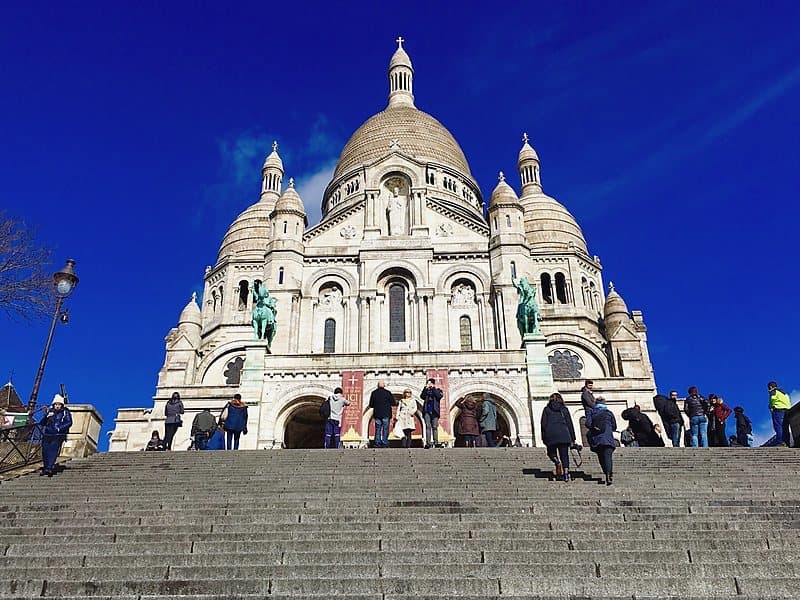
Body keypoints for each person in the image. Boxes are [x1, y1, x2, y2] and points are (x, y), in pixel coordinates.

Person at [541, 392, 576, 482]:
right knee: (564, 455)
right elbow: (569, 424)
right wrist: (573, 438)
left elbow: (543, 424)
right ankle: (566, 474)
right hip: (564, 435)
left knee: (551, 452)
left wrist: (544, 437)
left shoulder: (546, 409)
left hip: (551, 435)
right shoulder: (564, 409)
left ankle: (557, 462)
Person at [39, 394, 72, 477]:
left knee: (53, 451)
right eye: (56, 404)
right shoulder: (49, 411)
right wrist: (46, 417)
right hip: (47, 434)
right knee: (45, 451)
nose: (57, 406)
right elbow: (42, 423)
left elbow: (69, 422)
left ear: (61, 405)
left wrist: (59, 428)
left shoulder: (65, 412)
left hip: (57, 435)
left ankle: (49, 468)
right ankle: (46, 467)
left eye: (59, 404)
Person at [586, 398, 617, 486]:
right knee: (608, 457)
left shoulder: (592, 413)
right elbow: (614, 426)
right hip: (607, 438)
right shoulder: (609, 413)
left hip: (596, 439)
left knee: (601, 457)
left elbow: (588, 424)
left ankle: (606, 473)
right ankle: (608, 474)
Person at [368, 381, 396, 448]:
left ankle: (377, 443)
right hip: (386, 413)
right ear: (384, 385)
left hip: (377, 414)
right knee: (385, 429)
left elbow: (371, 404)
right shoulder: (388, 393)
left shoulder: (374, 393)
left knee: (378, 429)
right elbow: (393, 403)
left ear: (378, 386)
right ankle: (385, 443)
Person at [420, 378, 443, 449]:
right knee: (428, 426)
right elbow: (422, 396)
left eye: (430, 383)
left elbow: (439, 396)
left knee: (435, 427)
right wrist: (425, 388)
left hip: (434, 411)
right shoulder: (426, 391)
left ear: (433, 384)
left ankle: (436, 442)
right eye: (428, 383)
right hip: (427, 411)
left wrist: (433, 388)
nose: (428, 384)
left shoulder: (438, 390)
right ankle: (428, 443)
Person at [768, 381, 792, 446]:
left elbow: (772, 399)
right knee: (785, 427)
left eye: (768, 388)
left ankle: (781, 442)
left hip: (778, 410)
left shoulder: (773, 391)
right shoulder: (784, 393)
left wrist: (770, 406)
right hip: (787, 410)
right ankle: (787, 443)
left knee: (778, 426)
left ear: (770, 386)